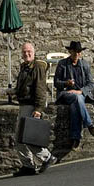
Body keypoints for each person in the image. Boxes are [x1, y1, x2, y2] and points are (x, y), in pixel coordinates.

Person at [10, 42, 57, 176]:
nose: (26, 54)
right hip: (24, 105)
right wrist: (14, 91)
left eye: (29, 51)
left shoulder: (38, 67)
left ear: (34, 52)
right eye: (24, 52)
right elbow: (25, 87)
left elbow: (40, 89)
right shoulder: (25, 67)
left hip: (31, 106)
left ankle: (46, 157)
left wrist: (38, 109)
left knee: (27, 137)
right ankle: (28, 166)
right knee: (20, 138)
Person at [54, 41, 94, 150]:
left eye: (79, 52)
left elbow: (91, 84)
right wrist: (66, 83)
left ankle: (75, 138)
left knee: (76, 102)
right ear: (70, 51)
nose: (77, 54)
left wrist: (81, 91)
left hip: (80, 94)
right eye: (74, 52)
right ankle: (89, 124)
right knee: (76, 98)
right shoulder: (62, 64)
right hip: (66, 93)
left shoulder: (85, 65)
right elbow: (56, 82)